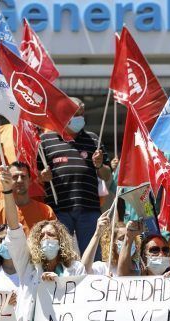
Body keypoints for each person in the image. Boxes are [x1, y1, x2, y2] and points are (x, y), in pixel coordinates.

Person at [2, 166, 85, 321]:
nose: (46, 238)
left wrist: (57, 284)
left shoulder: (74, 268)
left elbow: (82, 300)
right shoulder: (27, 266)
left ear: (62, 240)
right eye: (42, 235)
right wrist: (7, 191)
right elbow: (14, 229)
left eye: (52, 235)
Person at [37, 97, 111, 255]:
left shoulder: (93, 139)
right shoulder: (45, 141)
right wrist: (42, 176)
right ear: (63, 115)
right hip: (58, 210)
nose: (80, 119)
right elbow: (36, 174)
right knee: (58, 254)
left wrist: (99, 165)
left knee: (93, 255)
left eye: (82, 114)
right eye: (75, 114)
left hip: (89, 209)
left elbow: (107, 175)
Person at [0, 161, 56, 238]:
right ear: (8, 180)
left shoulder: (45, 210)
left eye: (23, 176)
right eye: (15, 177)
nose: (19, 180)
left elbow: (56, 236)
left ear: (30, 180)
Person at [80, 210, 128, 276]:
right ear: (112, 243)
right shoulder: (103, 268)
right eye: (122, 238)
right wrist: (97, 233)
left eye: (129, 238)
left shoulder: (138, 267)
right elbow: (83, 270)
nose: (126, 241)